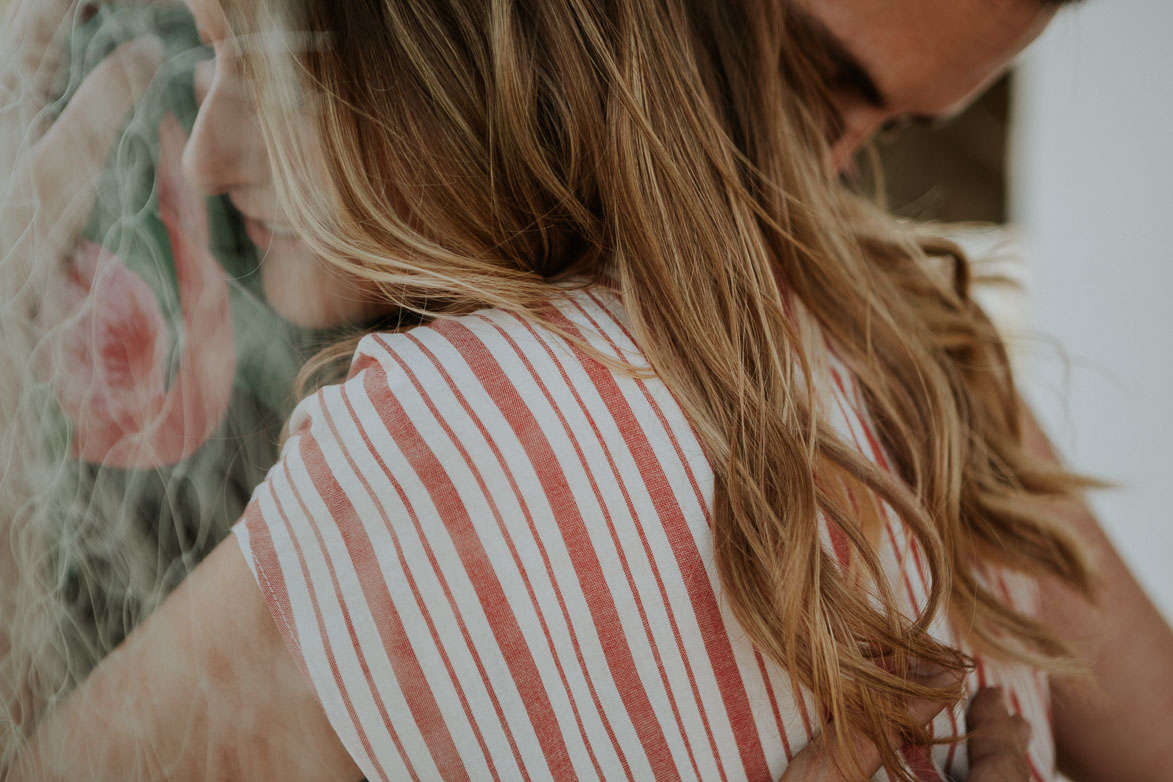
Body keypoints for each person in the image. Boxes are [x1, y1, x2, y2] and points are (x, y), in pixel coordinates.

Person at [0, 0, 1170, 780]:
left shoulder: (446, 449)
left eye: (881, 125)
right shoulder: (919, 369)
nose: (823, 170)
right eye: (811, 78)